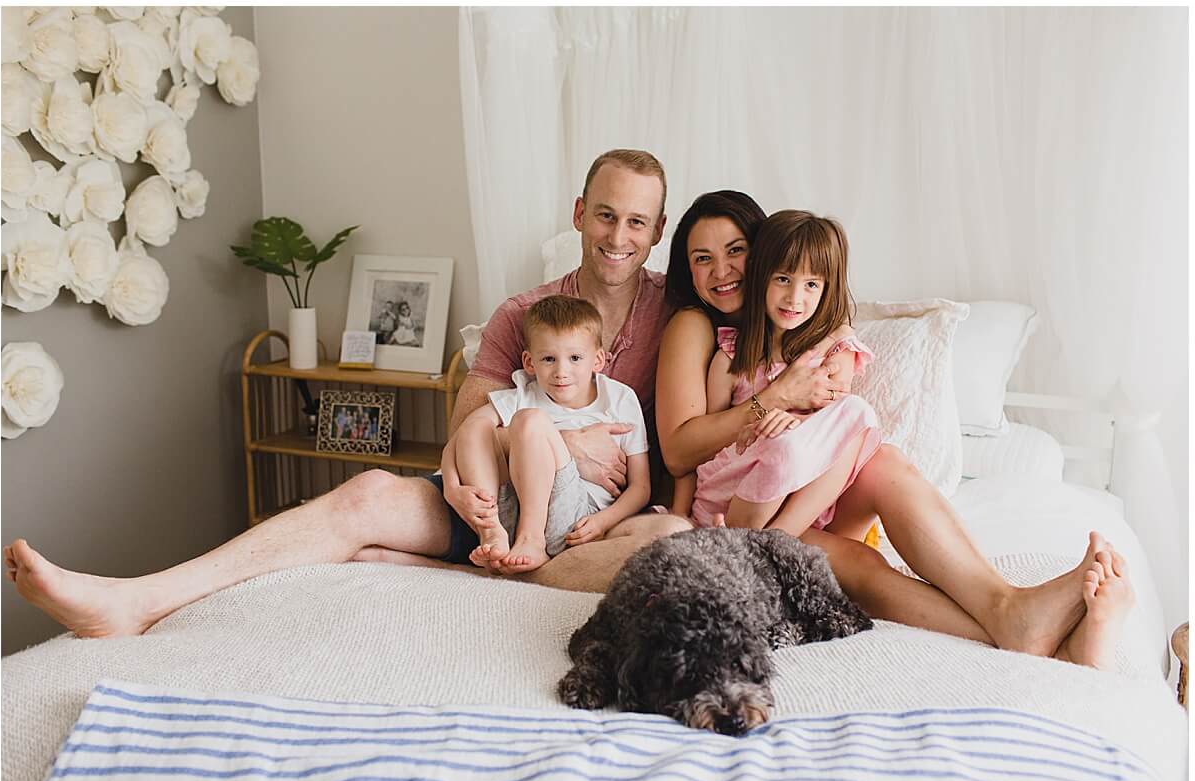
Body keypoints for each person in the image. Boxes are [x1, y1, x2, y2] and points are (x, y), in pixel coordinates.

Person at [3, 149, 684, 635]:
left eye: (635, 222)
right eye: (604, 214)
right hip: (496, 504)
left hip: (598, 523)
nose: (617, 236)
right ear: (578, 214)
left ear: (656, 232)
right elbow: (466, 439)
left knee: (674, 540)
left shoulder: (678, 315)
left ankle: (480, 572)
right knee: (365, 494)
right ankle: (136, 599)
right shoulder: (523, 314)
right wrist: (558, 448)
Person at [656, 192, 1136, 669]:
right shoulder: (710, 338)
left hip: (811, 497)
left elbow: (841, 421)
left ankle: (1007, 604)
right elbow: (685, 456)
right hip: (748, 508)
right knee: (857, 563)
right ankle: (1021, 631)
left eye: (735, 251)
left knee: (884, 459)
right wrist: (770, 403)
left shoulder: (823, 346)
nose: (723, 270)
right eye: (704, 258)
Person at [686, 210, 881, 532]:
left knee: (857, 412)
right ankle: (754, 541)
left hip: (799, 493)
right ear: (760, 276)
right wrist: (753, 424)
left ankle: (779, 539)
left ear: (826, 289)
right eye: (783, 279)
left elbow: (837, 426)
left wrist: (795, 422)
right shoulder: (731, 359)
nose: (795, 297)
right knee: (782, 448)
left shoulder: (834, 352)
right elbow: (710, 443)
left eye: (811, 284)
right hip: (730, 493)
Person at [442, 295, 650, 572]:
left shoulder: (619, 398)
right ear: (529, 362)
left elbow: (641, 487)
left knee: (529, 421)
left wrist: (604, 521)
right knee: (478, 425)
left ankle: (533, 541)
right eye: (549, 359)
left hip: (578, 518)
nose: (562, 372)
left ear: (598, 359)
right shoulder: (524, 394)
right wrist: (452, 488)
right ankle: (491, 531)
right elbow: (464, 434)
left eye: (575, 358)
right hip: (512, 514)